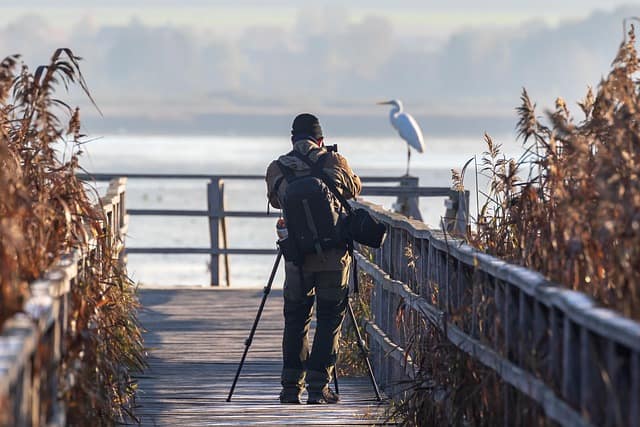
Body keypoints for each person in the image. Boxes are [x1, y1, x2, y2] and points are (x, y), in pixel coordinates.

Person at [265, 113, 362, 404]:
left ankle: (290, 388)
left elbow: (275, 200)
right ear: (320, 139)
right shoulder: (335, 162)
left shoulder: (277, 167)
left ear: (293, 140)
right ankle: (318, 389)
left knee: (295, 319)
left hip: (296, 257)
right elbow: (354, 188)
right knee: (330, 318)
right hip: (333, 256)